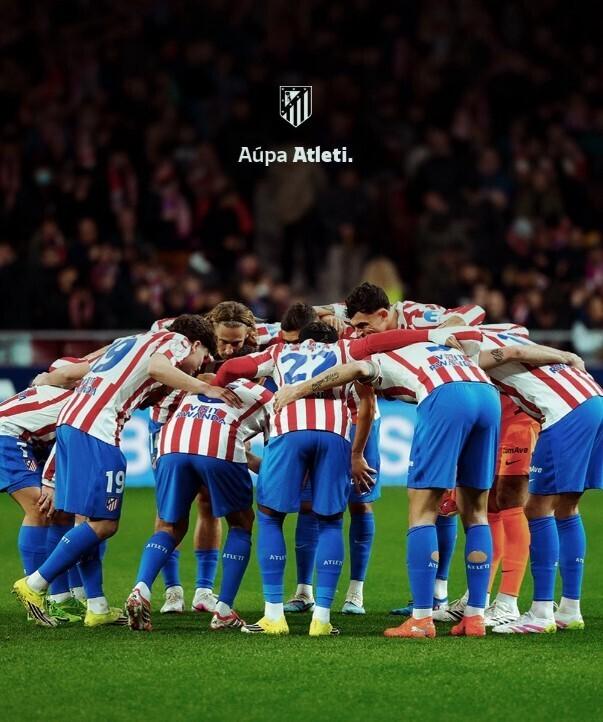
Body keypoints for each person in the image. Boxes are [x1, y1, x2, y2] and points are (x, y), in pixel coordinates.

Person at [213, 321, 474, 636]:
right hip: (335, 435)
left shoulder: (279, 351)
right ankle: (322, 619)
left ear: (301, 340)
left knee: (270, 517)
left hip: (289, 432)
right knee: (331, 522)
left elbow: (231, 368)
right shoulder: (346, 348)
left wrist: (215, 390)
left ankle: (273, 616)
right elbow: (387, 339)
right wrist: (432, 334)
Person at [12, 315, 239, 627]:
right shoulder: (175, 340)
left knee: (87, 520)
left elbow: (75, 371)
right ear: (196, 344)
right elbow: (158, 367)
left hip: (71, 421)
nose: (200, 365)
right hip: (98, 429)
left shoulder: (129, 342)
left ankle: (97, 607)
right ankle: (35, 583)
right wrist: (204, 387)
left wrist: (48, 379)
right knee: (105, 523)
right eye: (203, 357)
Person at [273, 329, 500, 639]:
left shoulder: (379, 357)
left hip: (445, 395)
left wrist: (297, 390)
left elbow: (354, 369)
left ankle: (421, 619)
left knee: (423, 512)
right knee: (476, 512)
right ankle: (475, 617)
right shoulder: (432, 348)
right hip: (487, 394)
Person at [465, 330, 602, 634]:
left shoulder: (473, 351)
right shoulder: (506, 336)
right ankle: (569, 609)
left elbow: (513, 355)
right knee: (567, 509)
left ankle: (540, 613)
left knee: (537, 509)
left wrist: (567, 355)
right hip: (593, 401)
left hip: (565, 413)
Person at [125, 377, 272, 632]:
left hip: (171, 442)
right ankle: (223, 611)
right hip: (218, 445)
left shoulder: (204, 383)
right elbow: (276, 458)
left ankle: (141, 588)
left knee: (169, 526)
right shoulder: (266, 395)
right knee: (241, 523)